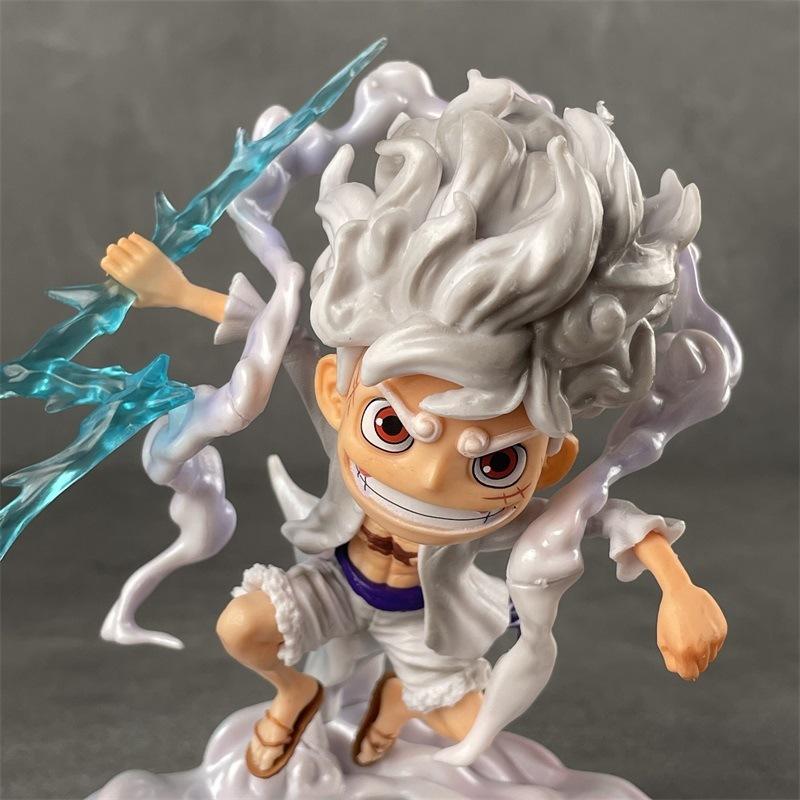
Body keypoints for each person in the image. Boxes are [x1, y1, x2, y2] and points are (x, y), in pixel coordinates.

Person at [100, 72, 727, 779]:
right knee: (242, 627)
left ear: (551, 459)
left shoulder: (501, 517)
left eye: (495, 462)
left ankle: (400, 701)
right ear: (339, 395)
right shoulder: (344, 405)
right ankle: (298, 693)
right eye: (394, 430)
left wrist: (679, 589)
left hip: (428, 629)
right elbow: (282, 336)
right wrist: (179, 293)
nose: (429, 479)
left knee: (476, 736)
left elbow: (611, 515)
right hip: (336, 586)